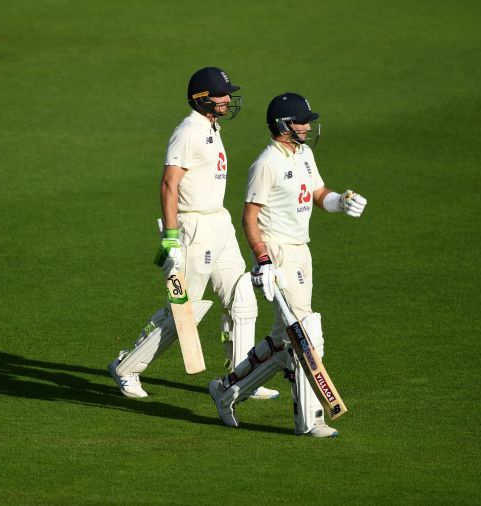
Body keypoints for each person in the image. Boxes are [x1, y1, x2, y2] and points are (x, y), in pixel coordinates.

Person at [108, 67, 278, 401]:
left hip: (220, 222)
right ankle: (126, 367)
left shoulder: (211, 127)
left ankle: (240, 376)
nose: (227, 100)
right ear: (201, 99)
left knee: (241, 296)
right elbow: (169, 183)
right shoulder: (188, 131)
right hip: (193, 228)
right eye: (221, 95)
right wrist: (171, 236)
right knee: (186, 309)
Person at [207, 92, 367, 437]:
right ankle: (309, 420)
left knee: (284, 340)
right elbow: (249, 217)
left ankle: (226, 390)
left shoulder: (304, 154)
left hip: (301, 250)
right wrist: (262, 260)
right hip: (277, 252)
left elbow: (318, 193)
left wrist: (343, 201)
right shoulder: (267, 163)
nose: (308, 126)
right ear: (283, 125)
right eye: (301, 121)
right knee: (306, 333)